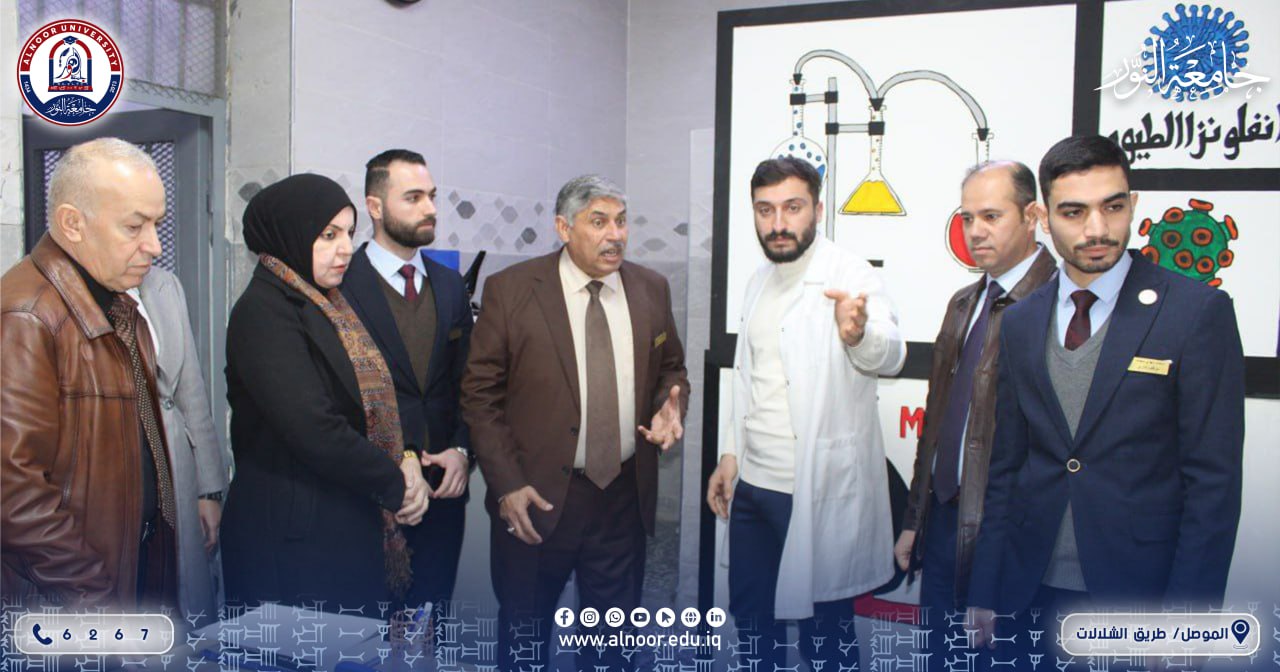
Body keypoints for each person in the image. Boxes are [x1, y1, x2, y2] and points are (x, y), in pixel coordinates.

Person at [967, 136, 1244, 668]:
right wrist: (985, 588)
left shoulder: (1195, 313)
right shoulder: (1022, 321)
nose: (1097, 229)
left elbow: (1213, 486)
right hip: (1028, 591)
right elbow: (1006, 469)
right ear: (1042, 218)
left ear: (1133, 205)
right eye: (1074, 212)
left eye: (1113, 207)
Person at [462, 175, 689, 670]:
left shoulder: (650, 288)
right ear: (564, 228)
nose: (616, 235)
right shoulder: (512, 291)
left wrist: (669, 406)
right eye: (599, 222)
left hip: (621, 500)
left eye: (621, 222)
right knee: (524, 639)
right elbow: (480, 397)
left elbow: (671, 368)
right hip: (535, 499)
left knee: (613, 644)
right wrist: (507, 484)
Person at [706, 156, 905, 669]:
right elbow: (748, 381)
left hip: (813, 489)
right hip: (754, 488)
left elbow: (891, 353)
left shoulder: (849, 273)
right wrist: (730, 455)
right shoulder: (758, 281)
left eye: (792, 208)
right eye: (765, 210)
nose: (777, 223)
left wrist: (858, 334)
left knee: (826, 637)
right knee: (753, 624)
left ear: (816, 210)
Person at [221, 173, 430, 611]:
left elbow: (374, 400)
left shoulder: (329, 304)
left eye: (349, 233)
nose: (345, 248)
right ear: (290, 233)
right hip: (290, 537)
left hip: (339, 518)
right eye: (329, 235)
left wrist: (407, 456)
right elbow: (313, 428)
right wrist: (395, 483)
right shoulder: (264, 312)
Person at [2, 137, 176, 608]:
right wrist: (95, 600)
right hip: (73, 604)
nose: (154, 246)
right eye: (134, 227)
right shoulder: (27, 316)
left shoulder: (117, 307)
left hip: (126, 574)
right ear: (72, 224)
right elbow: (13, 494)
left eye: (157, 224)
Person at [895, 161, 1055, 670]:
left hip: (1010, 537)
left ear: (1032, 217)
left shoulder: (1058, 305)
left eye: (991, 216)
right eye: (967, 218)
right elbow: (937, 421)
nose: (975, 231)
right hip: (945, 522)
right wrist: (915, 520)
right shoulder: (965, 302)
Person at [341, 149, 473, 615]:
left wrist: (462, 451)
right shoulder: (340, 286)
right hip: (368, 498)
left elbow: (468, 382)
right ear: (375, 207)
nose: (430, 208)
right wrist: (391, 464)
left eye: (432, 196)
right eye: (413, 198)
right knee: (369, 631)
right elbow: (335, 397)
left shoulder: (450, 285)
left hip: (442, 494)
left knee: (430, 625)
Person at [136, 265, 230, 622]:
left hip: (179, 475)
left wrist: (209, 490)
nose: (152, 246)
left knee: (189, 606)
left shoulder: (164, 284)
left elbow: (191, 391)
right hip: (129, 478)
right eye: (134, 233)